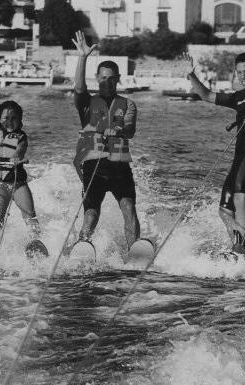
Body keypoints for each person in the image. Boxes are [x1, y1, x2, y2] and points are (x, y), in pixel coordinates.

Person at [181, 52, 245, 257]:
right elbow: (205, 95)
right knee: (224, 209)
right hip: (239, 155)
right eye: (239, 72)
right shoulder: (236, 97)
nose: (243, 76)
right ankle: (240, 243)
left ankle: (240, 247)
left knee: (241, 196)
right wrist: (191, 75)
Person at [71, 31, 140, 250]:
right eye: (103, 78)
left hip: (119, 166)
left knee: (129, 207)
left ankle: (135, 250)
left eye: (112, 79)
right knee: (91, 213)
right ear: (97, 79)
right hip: (95, 166)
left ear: (118, 79)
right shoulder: (86, 103)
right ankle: (82, 247)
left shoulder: (128, 104)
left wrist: (117, 131)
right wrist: (83, 57)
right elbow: (79, 88)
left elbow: (129, 130)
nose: (107, 82)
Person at [0, 91, 40, 238]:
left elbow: (20, 149)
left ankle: (36, 240)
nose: (10, 121)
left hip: (18, 184)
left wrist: (17, 157)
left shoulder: (21, 137)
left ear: (20, 120)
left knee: (29, 215)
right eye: (6, 118)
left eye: (14, 118)